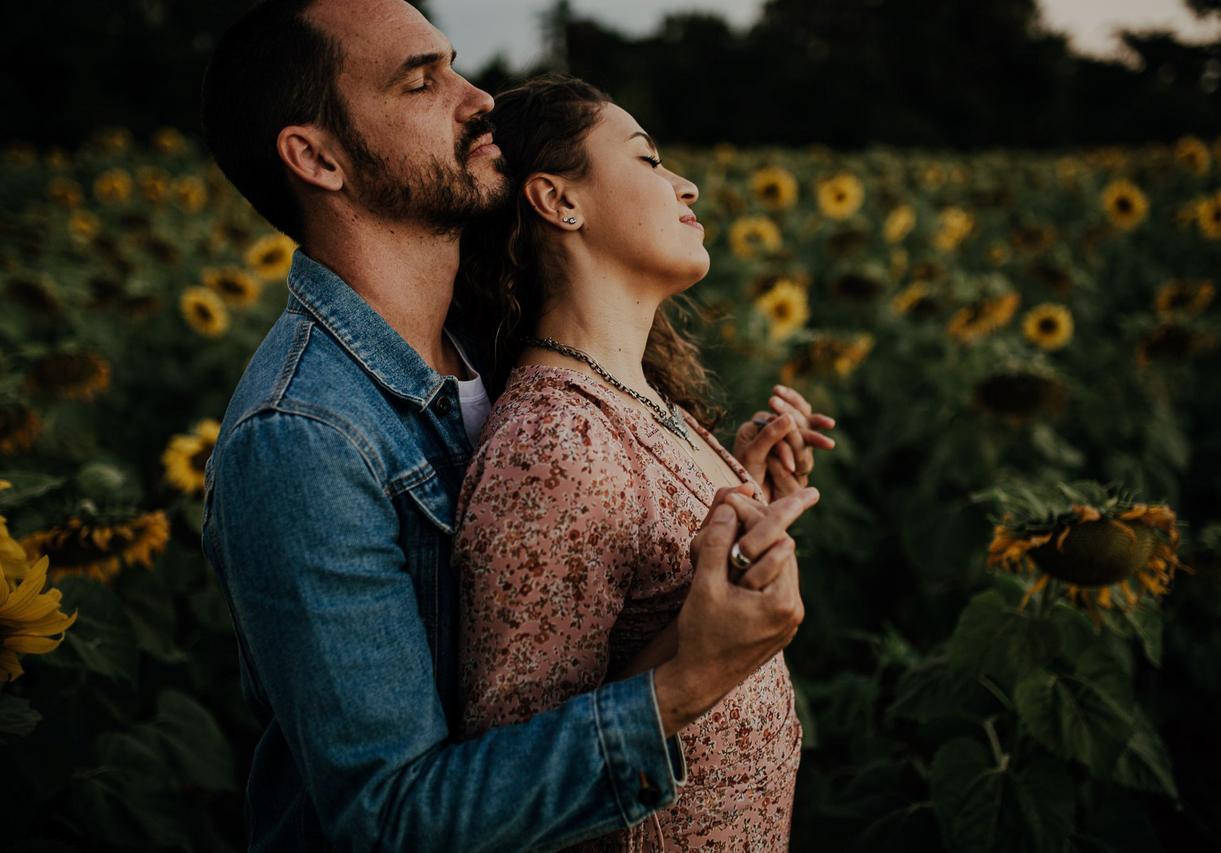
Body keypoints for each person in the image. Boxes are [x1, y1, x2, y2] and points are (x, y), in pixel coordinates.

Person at [198, 1, 828, 850]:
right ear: (317, 157)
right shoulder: (304, 436)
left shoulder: (485, 350)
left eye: (454, 64)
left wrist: (717, 504)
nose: (480, 97)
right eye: (422, 81)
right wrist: (688, 681)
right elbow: (392, 823)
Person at [451, 76, 831, 852]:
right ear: (559, 202)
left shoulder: (635, 401)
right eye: (649, 160)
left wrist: (743, 495)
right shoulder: (551, 448)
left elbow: (657, 599)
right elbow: (517, 802)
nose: (685, 182)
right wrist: (694, 660)